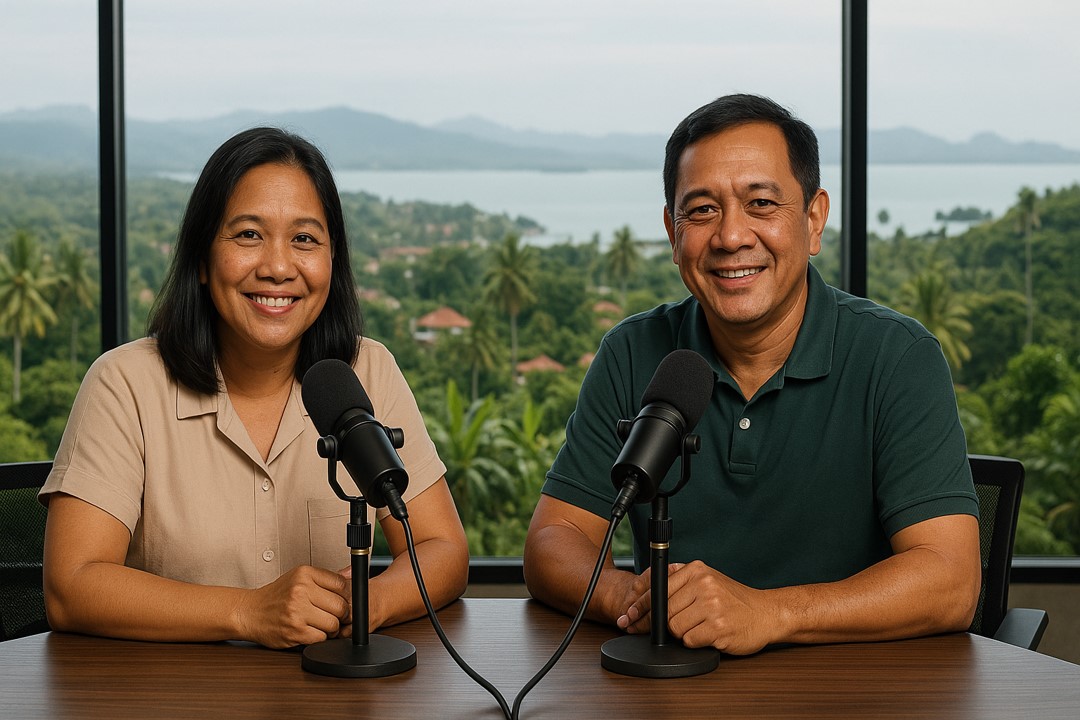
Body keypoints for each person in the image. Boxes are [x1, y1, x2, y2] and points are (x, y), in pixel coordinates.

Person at [523, 94, 981, 656]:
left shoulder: (898, 356)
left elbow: (952, 582)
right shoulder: (632, 352)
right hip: (671, 692)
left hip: (858, 690)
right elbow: (554, 543)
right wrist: (644, 600)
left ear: (813, 220)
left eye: (761, 203)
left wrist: (768, 613)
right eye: (701, 211)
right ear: (673, 232)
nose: (731, 236)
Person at [40, 127, 469, 649]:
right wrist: (248, 612)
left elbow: (442, 548)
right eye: (247, 235)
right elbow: (72, 585)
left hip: (325, 696)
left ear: (333, 264)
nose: (278, 267)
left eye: (305, 239)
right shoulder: (124, 383)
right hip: (164, 697)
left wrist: (367, 603)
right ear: (202, 258)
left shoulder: (367, 370)